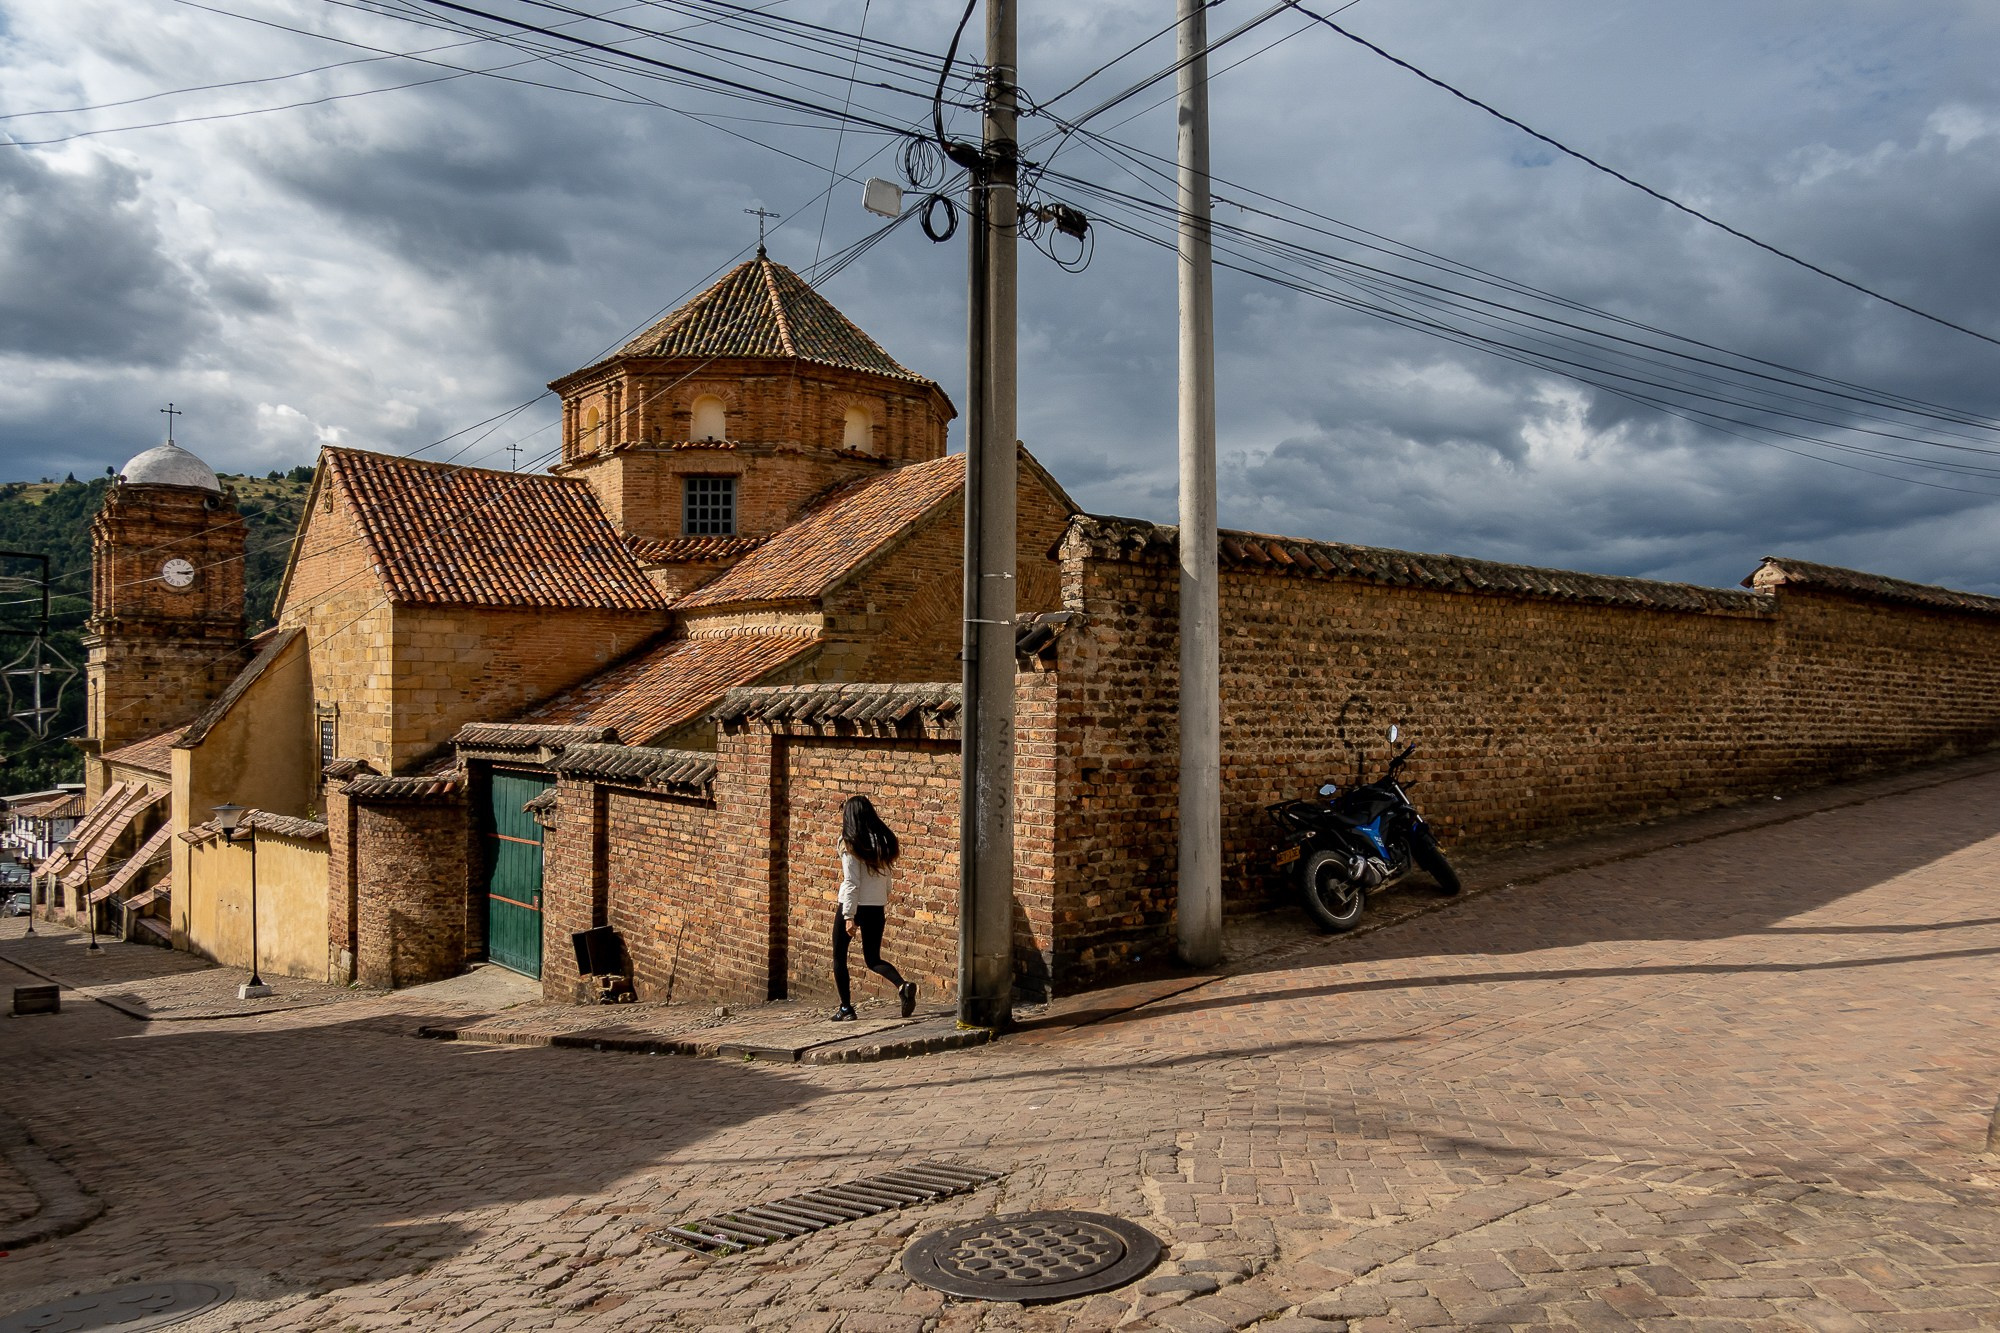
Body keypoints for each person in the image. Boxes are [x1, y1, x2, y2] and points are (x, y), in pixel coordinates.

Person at [831, 794, 917, 1021]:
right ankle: (902, 985)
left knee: (839, 956)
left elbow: (851, 882)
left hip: (854, 906)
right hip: (876, 907)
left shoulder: (849, 842)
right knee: (872, 958)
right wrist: (881, 899)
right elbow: (887, 879)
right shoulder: (881, 841)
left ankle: (846, 1008)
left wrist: (849, 915)